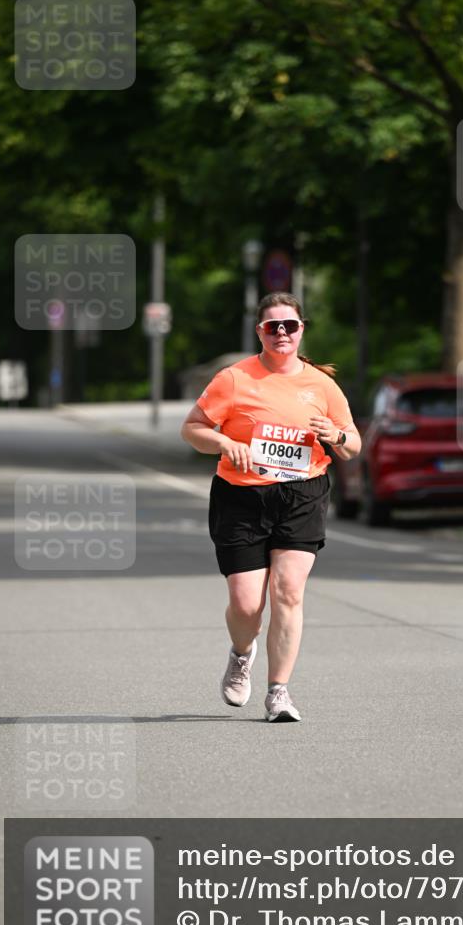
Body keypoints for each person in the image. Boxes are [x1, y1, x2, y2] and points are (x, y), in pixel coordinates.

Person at [180, 292, 361, 722]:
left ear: (302, 330)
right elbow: (192, 428)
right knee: (246, 606)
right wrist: (224, 441)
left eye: (290, 325)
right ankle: (242, 653)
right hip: (241, 496)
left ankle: (279, 692)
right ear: (259, 331)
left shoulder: (322, 386)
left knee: (288, 592)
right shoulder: (234, 379)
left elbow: (354, 445)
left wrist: (334, 436)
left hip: (302, 494)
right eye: (272, 326)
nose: (282, 332)